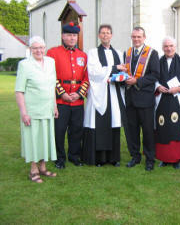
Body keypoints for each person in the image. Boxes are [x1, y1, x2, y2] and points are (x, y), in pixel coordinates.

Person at [81, 24, 127, 167]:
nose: (105, 35)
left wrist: (121, 74)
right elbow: (94, 72)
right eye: (102, 33)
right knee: (100, 124)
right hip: (99, 93)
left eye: (108, 33)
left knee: (114, 122)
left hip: (114, 92)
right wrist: (115, 68)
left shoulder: (118, 53)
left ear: (111, 35)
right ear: (99, 36)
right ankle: (100, 159)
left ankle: (113, 158)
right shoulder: (93, 52)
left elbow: (123, 70)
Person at [15, 36, 58, 183]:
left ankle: (43, 167)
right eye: (35, 48)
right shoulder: (24, 65)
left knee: (45, 137)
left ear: (45, 48)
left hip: (47, 108)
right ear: (30, 49)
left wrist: (55, 105)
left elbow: (52, 85)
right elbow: (19, 91)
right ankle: (33, 169)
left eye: (41, 47)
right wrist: (23, 112)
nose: (38, 50)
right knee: (33, 139)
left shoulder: (51, 62)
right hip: (32, 110)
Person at [47, 22, 89, 169]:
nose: (72, 38)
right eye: (69, 35)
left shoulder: (82, 55)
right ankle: (59, 158)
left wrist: (78, 94)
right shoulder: (52, 53)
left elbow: (86, 78)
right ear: (62, 36)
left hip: (77, 102)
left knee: (76, 130)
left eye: (74, 35)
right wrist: (62, 93)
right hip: (61, 101)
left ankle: (74, 156)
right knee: (59, 131)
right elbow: (50, 76)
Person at [154, 37, 180, 169]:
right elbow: (153, 77)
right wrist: (157, 87)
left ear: (175, 46)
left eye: (171, 46)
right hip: (162, 99)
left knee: (177, 126)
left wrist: (179, 88)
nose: (169, 48)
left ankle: (177, 159)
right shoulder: (158, 61)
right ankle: (164, 158)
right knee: (162, 127)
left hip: (178, 99)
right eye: (166, 46)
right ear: (162, 48)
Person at [124, 27, 160, 171]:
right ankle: (135, 156)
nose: (136, 39)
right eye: (134, 37)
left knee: (147, 131)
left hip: (145, 99)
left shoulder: (152, 53)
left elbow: (155, 75)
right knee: (132, 130)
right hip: (130, 98)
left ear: (144, 37)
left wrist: (137, 81)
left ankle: (150, 159)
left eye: (139, 37)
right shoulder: (127, 53)